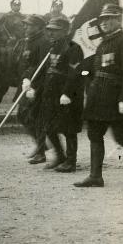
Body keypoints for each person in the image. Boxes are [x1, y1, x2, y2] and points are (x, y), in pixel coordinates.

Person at [74, 3, 123, 188]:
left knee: (121, 136)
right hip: (98, 96)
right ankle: (95, 176)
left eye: (109, 19)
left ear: (118, 20)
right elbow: (96, 70)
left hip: (115, 98)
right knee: (94, 133)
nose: (104, 23)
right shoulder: (103, 44)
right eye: (102, 19)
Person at [38, 17, 85, 171]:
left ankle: (71, 161)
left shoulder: (73, 48)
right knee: (48, 126)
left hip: (67, 94)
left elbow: (75, 73)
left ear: (65, 31)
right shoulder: (53, 47)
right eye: (49, 30)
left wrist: (67, 93)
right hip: (51, 93)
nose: (51, 33)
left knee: (69, 128)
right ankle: (60, 156)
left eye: (55, 30)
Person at [17, 14, 52, 164]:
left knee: (37, 118)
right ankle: (41, 145)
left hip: (39, 85)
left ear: (38, 27)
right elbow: (27, 63)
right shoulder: (28, 41)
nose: (26, 27)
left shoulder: (43, 42)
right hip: (28, 83)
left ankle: (41, 153)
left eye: (29, 25)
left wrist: (35, 87)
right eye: (25, 25)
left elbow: (43, 67)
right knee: (22, 115)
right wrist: (25, 78)